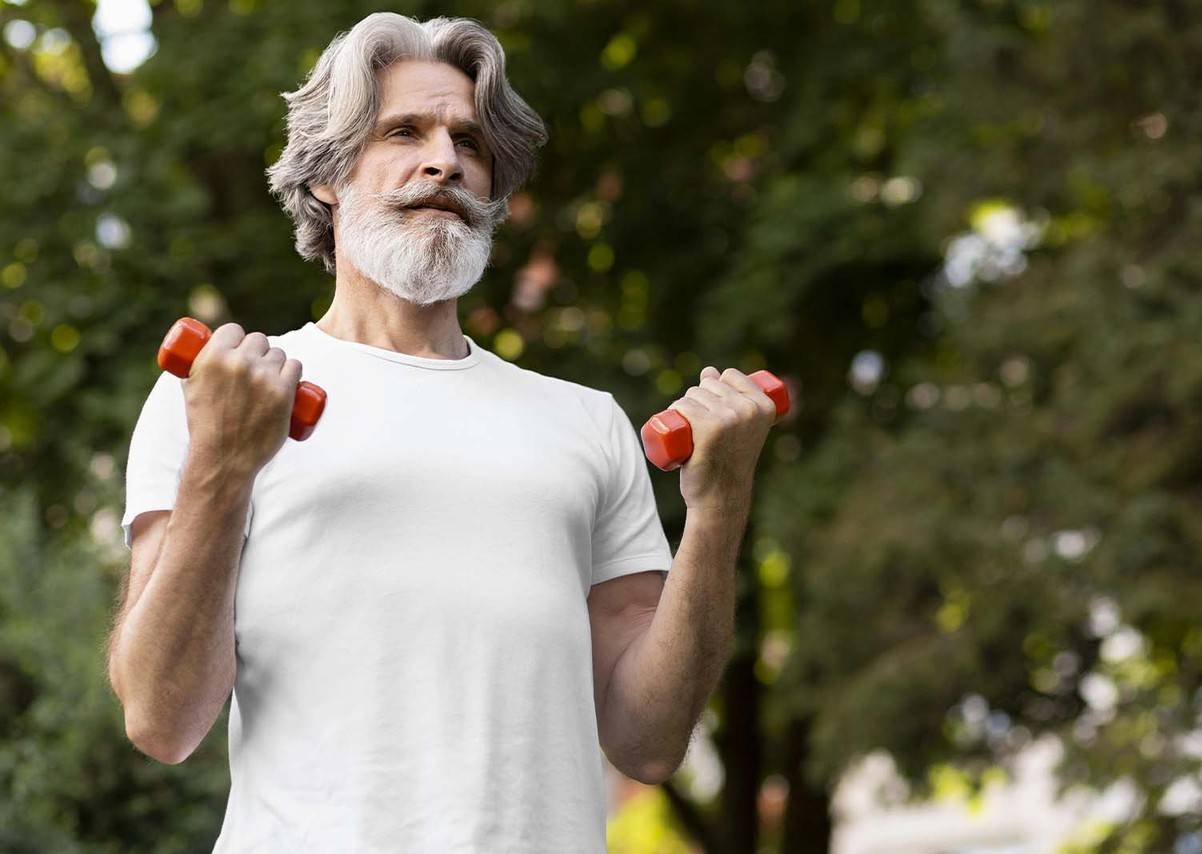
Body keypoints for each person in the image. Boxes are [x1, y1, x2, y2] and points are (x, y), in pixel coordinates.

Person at [107, 12, 778, 853]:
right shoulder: (219, 398)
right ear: (326, 175)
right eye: (403, 132)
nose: (445, 160)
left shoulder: (583, 423)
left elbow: (647, 740)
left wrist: (716, 515)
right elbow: (161, 722)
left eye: (469, 141)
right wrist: (223, 466)